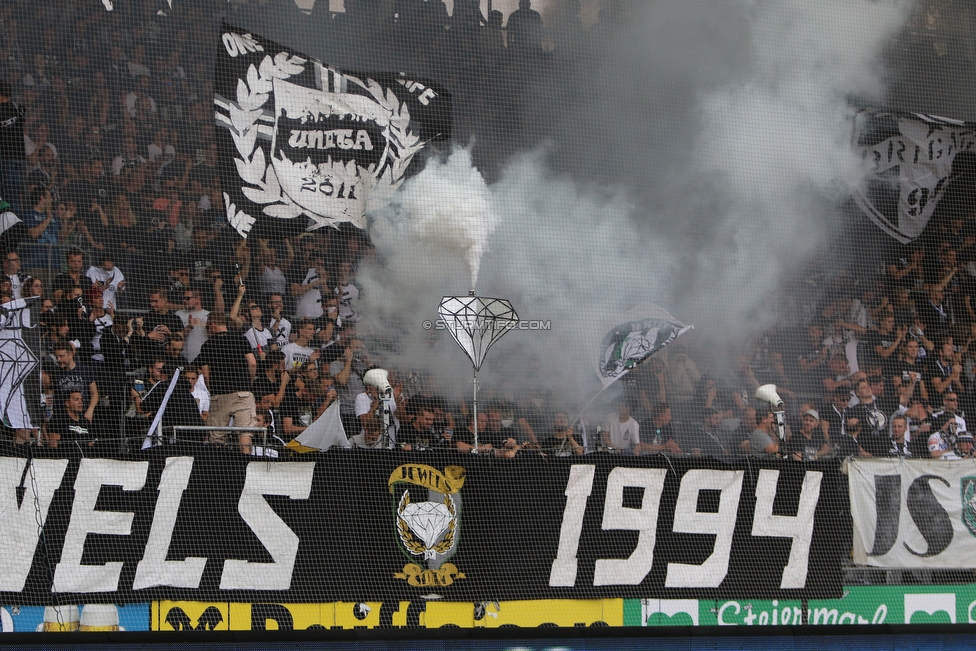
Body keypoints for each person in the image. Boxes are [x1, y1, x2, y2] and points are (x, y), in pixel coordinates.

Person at [195, 311, 257, 453]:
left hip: (219, 395)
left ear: (212, 324)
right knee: (245, 432)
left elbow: (205, 374)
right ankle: (245, 463)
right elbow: (252, 363)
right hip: (242, 393)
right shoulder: (241, 339)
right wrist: (249, 383)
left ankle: (217, 468)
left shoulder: (207, 345)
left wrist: (212, 390)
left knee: (216, 436)